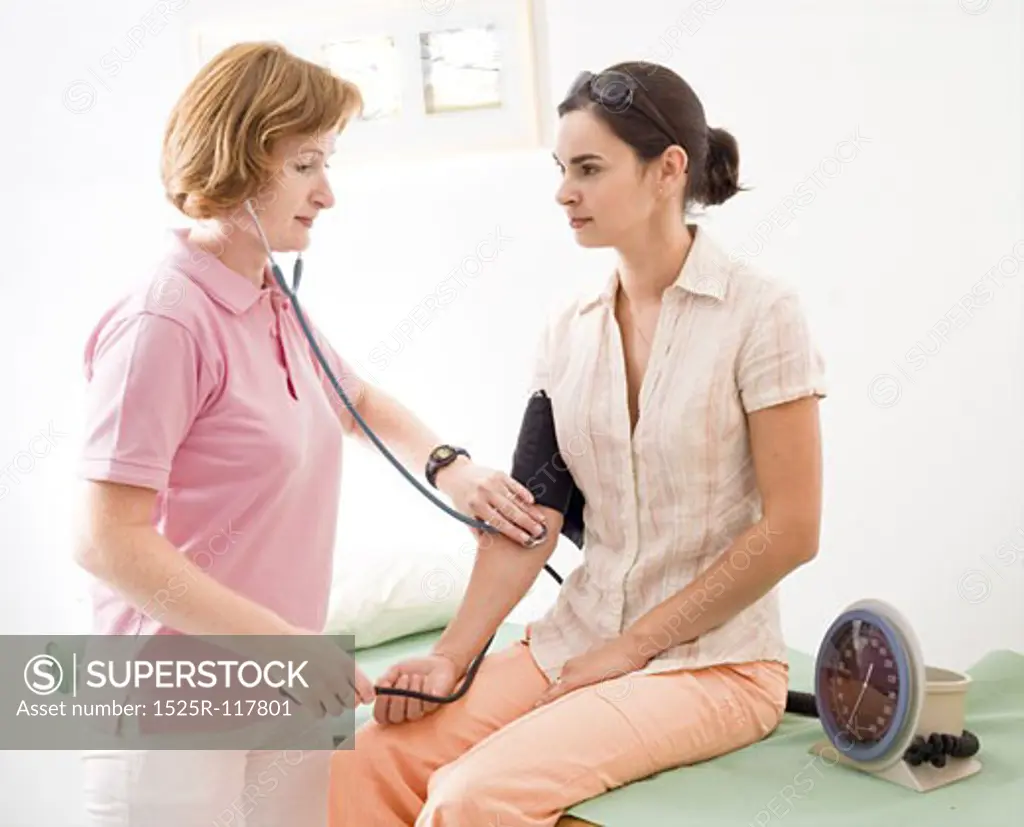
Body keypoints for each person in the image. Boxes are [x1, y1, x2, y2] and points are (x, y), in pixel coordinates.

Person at [328, 61, 828, 826]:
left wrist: (633, 648)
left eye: (589, 170)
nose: (565, 192)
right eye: (562, 170)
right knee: (360, 765)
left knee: (472, 796)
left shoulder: (761, 314)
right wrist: (451, 655)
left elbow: (793, 531)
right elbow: (535, 516)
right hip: (572, 638)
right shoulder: (569, 329)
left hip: (715, 664)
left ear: (668, 171)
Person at [73, 42, 548, 827]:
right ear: (236, 158)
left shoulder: (265, 296)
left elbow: (353, 396)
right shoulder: (165, 320)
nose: (327, 193)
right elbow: (105, 541)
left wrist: (451, 469)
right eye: (305, 165)